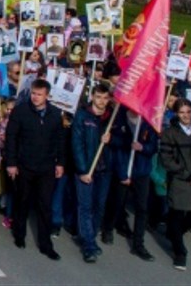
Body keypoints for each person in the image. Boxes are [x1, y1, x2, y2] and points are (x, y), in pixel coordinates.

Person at [4, 78, 65, 260]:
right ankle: (19, 235)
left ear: (47, 96)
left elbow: (60, 140)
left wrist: (60, 163)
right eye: (33, 93)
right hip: (24, 165)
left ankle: (46, 244)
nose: (35, 97)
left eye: (39, 94)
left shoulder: (55, 114)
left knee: (45, 206)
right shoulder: (20, 111)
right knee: (22, 201)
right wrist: (11, 163)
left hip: (46, 167)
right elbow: (11, 138)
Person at [158, 98, 191, 271]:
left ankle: (174, 233)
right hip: (181, 179)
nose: (186, 115)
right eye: (182, 112)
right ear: (176, 114)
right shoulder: (169, 133)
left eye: (188, 111)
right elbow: (167, 161)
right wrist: (188, 176)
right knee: (177, 214)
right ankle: (180, 252)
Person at [104, 106, 158, 261]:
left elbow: (153, 147)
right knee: (117, 202)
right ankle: (108, 228)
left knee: (142, 208)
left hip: (141, 171)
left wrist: (143, 147)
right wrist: (122, 173)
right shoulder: (119, 117)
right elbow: (114, 145)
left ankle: (138, 244)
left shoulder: (149, 120)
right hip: (123, 168)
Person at [70, 83, 112, 263]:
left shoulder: (111, 118)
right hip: (87, 168)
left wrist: (112, 138)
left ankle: (90, 235)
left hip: (104, 169)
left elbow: (122, 142)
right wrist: (82, 170)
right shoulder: (83, 116)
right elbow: (77, 144)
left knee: (99, 205)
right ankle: (88, 244)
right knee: (85, 206)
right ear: (92, 97)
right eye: (98, 97)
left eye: (105, 98)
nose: (101, 101)